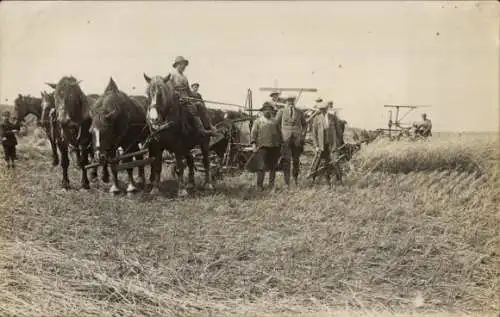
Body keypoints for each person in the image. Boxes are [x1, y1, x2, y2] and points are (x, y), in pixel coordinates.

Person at [169, 56, 217, 136]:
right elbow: (169, 89)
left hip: (186, 98)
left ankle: (209, 126)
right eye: (183, 65)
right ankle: (201, 130)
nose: (184, 67)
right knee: (192, 108)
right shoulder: (172, 75)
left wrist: (196, 96)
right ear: (178, 65)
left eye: (185, 65)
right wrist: (176, 94)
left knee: (200, 105)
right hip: (177, 99)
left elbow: (188, 91)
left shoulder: (184, 77)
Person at [247, 102, 283, 190]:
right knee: (261, 167)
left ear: (271, 111)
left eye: (269, 109)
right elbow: (253, 133)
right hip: (262, 147)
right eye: (265, 110)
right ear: (262, 111)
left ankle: (271, 185)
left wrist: (281, 144)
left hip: (274, 147)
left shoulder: (274, 121)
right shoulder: (258, 121)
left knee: (273, 167)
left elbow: (280, 133)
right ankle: (259, 186)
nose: (267, 111)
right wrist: (253, 144)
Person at [275, 95, 307, 187]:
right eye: (289, 101)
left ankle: (296, 180)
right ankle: (287, 182)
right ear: (286, 102)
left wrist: (302, 135)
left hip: (297, 140)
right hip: (285, 140)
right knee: (286, 161)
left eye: (292, 101)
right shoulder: (281, 111)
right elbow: (276, 124)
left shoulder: (299, 112)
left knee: (296, 161)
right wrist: (280, 136)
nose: (291, 103)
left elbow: (305, 124)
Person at [308, 101, 342, 186]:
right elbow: (314, 134)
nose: (322, 111)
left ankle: (340, 180)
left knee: (335, 162)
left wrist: (338, 143)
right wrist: (316, 146)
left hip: (332, 144)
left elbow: (339, 131)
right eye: (321, 109)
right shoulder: (316, 118)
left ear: (327, 109)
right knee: (325, 163)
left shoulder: (333, 117)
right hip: (322, 145)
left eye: (324, 109)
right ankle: (328, 182)